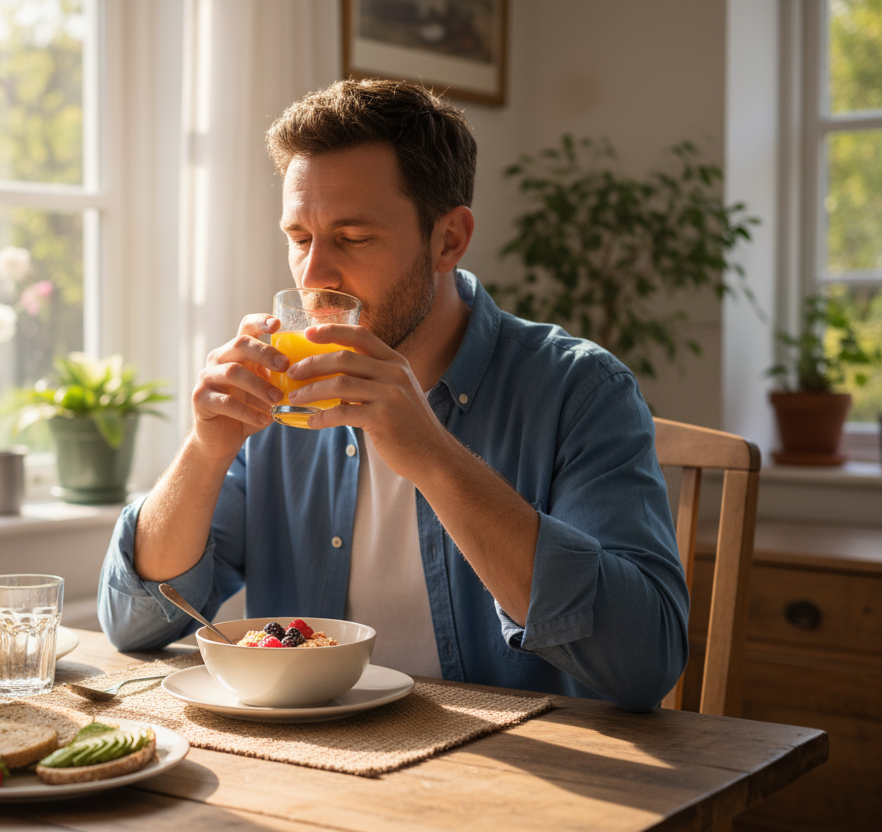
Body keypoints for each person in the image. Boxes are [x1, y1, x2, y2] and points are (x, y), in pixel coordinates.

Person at [98, 79, 688, 712]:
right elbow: (137, 625)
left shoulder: (580, 390)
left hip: (513, 783)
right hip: (312, 769)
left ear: (449, 240)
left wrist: (433, 456)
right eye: (300, 239)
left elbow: (644, 662)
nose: (314, 275)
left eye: (353, 239)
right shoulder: (282, 397)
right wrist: (206, 448)